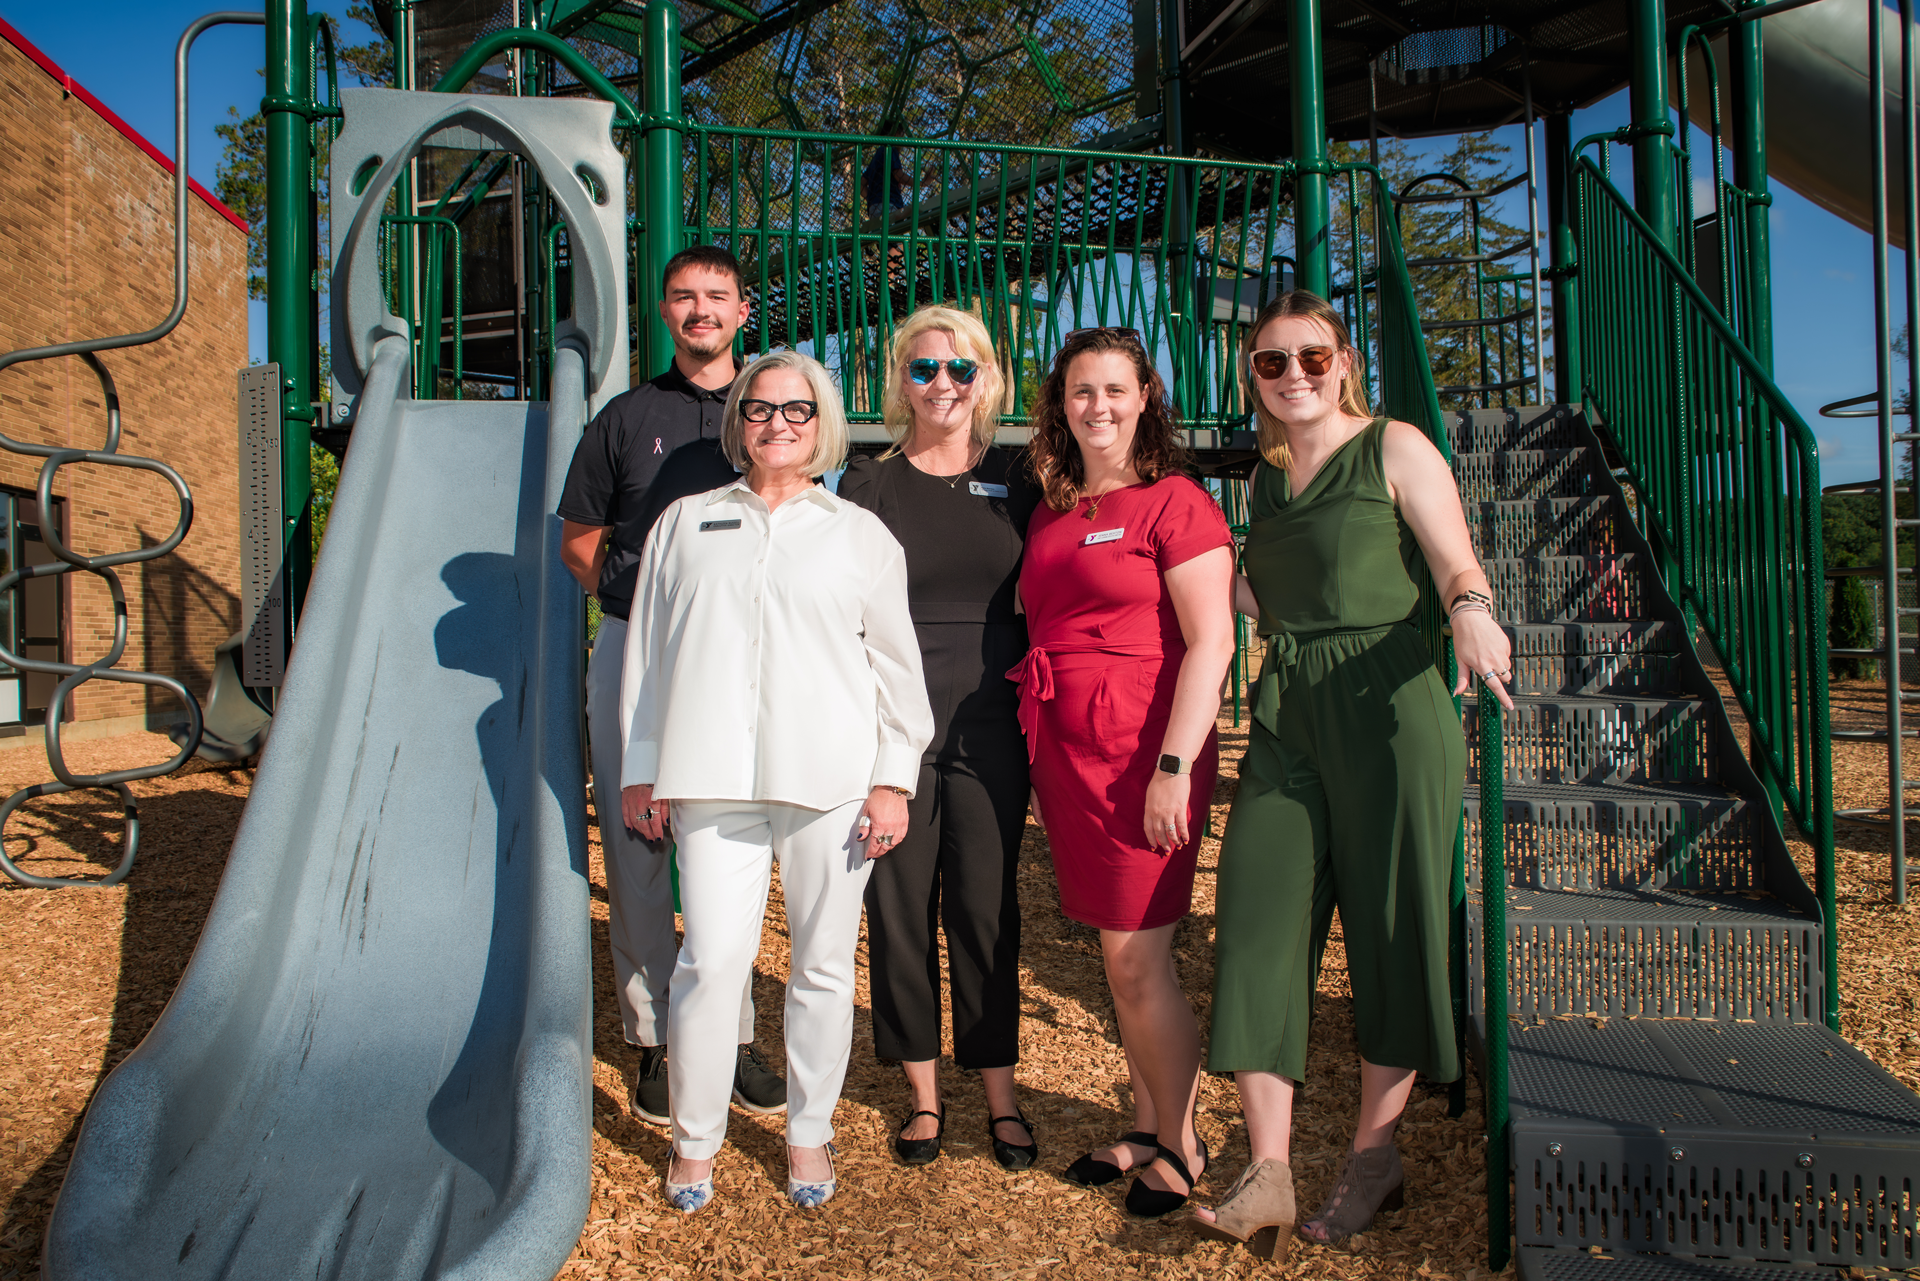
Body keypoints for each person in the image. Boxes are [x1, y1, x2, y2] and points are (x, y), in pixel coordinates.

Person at [1192, 292, 1513, 1260]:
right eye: (1271, 361)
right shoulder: (1266, 481)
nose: (1294, 375)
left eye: (1312, 357)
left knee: (1391, 925)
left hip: (1388, 706)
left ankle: (1375, 1157)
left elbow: (1455, 562)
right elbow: (1267, 596)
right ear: (1252, 376)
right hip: (1290, 710)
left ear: (1344, 362)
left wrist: (1471, 611)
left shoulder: (1394, 447)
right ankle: (1270, 1168)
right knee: (1254, 915)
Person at [618, 350, 935, 1214]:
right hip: (708, 775)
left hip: (831, 782)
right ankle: (695, 1140)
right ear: (739, 421)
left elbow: (897, 670)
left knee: (823, 965)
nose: (777, 424)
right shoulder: (684, 523)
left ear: (821, 423)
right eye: (760, 408)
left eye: (797, 410)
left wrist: (893, 779)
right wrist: (641, 767)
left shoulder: (860, 536)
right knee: (711, 960)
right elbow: (647, 654)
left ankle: (808, 1129)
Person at [1011, 327, 1235, 1217]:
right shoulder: (1051, 510)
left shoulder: (1176, 501)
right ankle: (1145, 1123)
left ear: (1145, 396)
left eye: (1114, 389)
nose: (1096, 406)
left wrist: (1174, 765)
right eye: (1080, 391)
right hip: (1069, 754)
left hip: (1146, 750)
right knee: (1116, 954)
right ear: (1060, 405)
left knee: (1139, 958)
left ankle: (1183, 1141)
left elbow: (1212, 641)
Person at [557, 245, 781, 1129]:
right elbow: (580, 540)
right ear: (663, 311)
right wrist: (640, 603)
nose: (701, 310)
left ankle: (733, 1033)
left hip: (747, 657)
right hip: (637, 652)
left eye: (717, 295)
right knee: (640, 845)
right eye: (684, 296)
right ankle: (654, 1037)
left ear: (744, 309)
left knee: (731, 841)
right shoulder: (626, 418)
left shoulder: (773, 408)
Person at [838, 306, 1041, 1171]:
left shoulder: (1022, 475)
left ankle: (999, 1090)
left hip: (993, 721)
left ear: (986, 378)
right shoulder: (867, 482)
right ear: (901, 380)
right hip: (892, 725)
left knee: (986, 910)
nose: (943, 384)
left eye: (961, 368)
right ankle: (923, 1092)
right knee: (898, 908)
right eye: (924, 369)